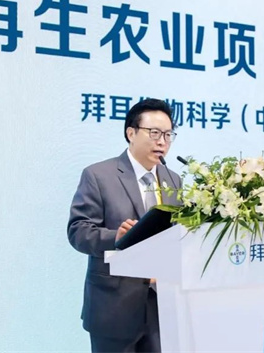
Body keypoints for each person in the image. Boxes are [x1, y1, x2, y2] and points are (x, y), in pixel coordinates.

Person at [67, 98, 181, 353]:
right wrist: (115, 237)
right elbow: (78, 230)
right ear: (131, 133)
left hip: (161, 307)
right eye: (154, 133)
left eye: (168, 135)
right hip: (113, 308)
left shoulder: (173, 180)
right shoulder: (99, 175)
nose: (162, 142)